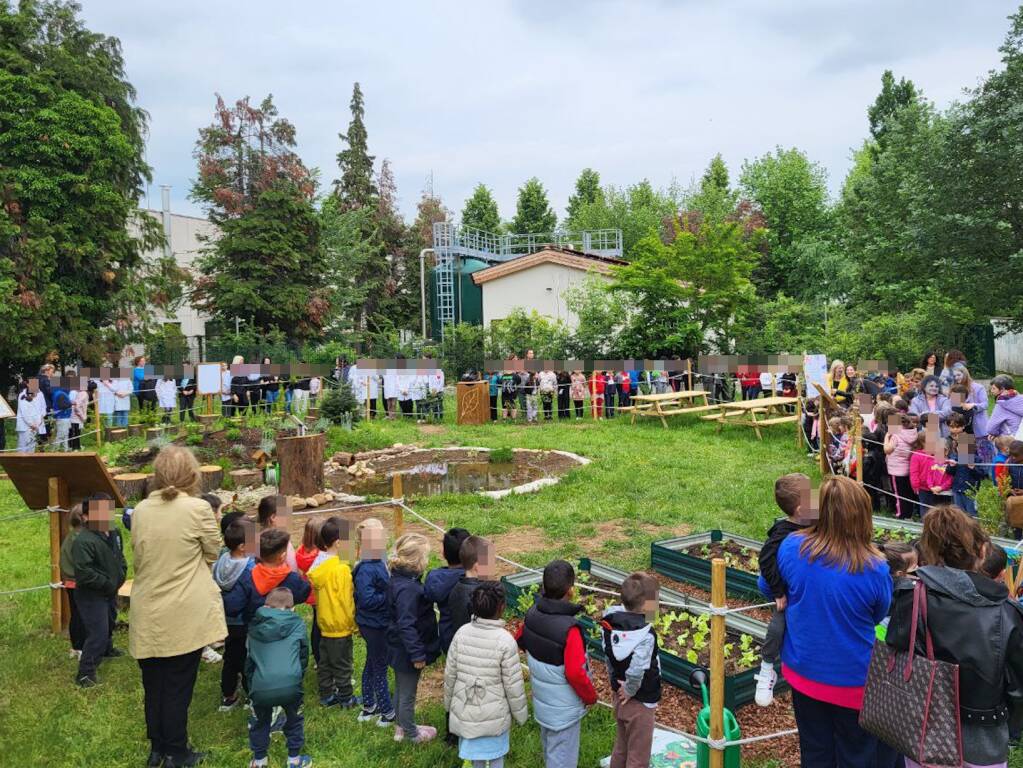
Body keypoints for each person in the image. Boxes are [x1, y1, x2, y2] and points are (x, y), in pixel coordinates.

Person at [887, 505, 1023, 768]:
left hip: (922, 729)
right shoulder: (1006, 613)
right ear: (982, 551)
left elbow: (897, 655)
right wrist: (1008, 725)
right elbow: (1018, 688)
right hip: (982, 739)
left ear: (928, 550)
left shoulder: (910, 597)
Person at [777, 476, 894, 768]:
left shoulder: (792, 547)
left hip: (803, 671)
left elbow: (770, 586)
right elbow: (879, 612)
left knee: (815, 750)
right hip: (854, 680)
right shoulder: (875, 567)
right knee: (856, 754)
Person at [129, 446, 226, 768]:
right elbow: (213, 550)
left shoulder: (141, 509)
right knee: (177, 685)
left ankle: (157, 747)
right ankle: (177, 751)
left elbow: (140, 556)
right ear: (192, 474)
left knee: (153, 683)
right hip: (183, 608)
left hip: (147, 606)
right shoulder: (198, 508)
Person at [515, 560, 597, 768]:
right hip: (565, 708)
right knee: (563, 758)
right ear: (571, 591)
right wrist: (590, 696)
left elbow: (520, 638)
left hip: (543, 699)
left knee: (551, 748)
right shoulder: (570, 630)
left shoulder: (532, 613)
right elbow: (575, 673)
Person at [444, 582, 529, 768]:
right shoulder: (506, 641)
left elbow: (450, 674)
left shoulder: (461, 633)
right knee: (497, 757)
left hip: (466, 711)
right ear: (502, 607)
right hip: (494, 718)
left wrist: (448, 703)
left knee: (476, 759)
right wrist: (521, 714)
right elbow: (513, 685)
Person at [755, 473, 812, 707]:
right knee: (780, 623)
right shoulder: (782, 533)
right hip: (786, 590)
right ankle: (767, 667)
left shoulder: (813, 521)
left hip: (804, 586)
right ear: (800, 509)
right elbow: (765, 560)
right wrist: (778, 592)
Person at [245, 587, 312, 768]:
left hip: (260, 685)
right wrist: (298, 675)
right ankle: (294, 759)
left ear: (266, 605)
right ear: (291, 608)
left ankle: (259, 760)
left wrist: (252, 686)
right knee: (294, 719)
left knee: (260, 721)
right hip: (291, 683)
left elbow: (249, 662)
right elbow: (304, 654)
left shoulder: (254, 626)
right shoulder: (297, 624)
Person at [600, 572, 661, 768]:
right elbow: (637, 669)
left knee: (621, 747)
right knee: (639, 756)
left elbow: (608, 656)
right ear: (645, 606)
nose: (657, 603)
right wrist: (630, 689)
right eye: (655, 600)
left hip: (619, 695)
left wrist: (616, 685)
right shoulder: (645, 635)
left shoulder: (610, 623)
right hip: (640, 701)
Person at [387, 532, 440, 743]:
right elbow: (406, 624)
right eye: (425, 557)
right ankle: (411, 734)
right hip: (408, 651)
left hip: (397, 647)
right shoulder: (408, 589)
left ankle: (401, 726)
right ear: (417, 562)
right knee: (408, 692)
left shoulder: (399, 579)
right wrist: (418, 654)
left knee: (401, 688)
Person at [71, 497, 126, 686]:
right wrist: (107, 583)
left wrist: (121, 574)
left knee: (110, 621)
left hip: (110, 590)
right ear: (86, 517)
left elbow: (119, 557)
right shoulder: (83, 541)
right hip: (91, 594)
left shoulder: (115, 532)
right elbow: (85, 572)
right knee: (98, 632)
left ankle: (107, 649)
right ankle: (85, 673)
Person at [306, 516, 359, 709]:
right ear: (339, 543)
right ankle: (346, 698)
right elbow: (347, 601)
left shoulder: (319, 563)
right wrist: (354, 624)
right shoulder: (341, 570)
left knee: (325, 663)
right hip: (339, 626)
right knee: (343, 664)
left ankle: (326, 695)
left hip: (324, 623)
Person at [353, 518, 394, 726]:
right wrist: (389, 596)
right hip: (374, 625)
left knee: (371, 663)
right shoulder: (366, 569)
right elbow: (366, 599)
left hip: (377, 622)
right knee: (380, 667)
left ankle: (368, 706)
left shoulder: (378, 562)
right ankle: (387, 711)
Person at [213, 519, 254, 711]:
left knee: (230, 656)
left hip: (226, 620)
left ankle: (228, 696)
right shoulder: (249, 566)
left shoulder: (221, 561)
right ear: (243, 546)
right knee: (246, 657)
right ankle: (251, 695)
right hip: (244, 620)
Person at [236, 528, 311, 624]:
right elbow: (304, 593)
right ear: (282, 556)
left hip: (255, 630)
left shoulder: (247, 577)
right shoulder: (293, 579)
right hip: (284, 627)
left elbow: (235, 606)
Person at [424, 527, 471, 655]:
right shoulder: (471, 580)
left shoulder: (435, 579)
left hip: (447, 636)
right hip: (471, 639)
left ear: (443, 553)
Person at [448, 535, 495, 637]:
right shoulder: (479, 596)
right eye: (490, 562)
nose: (493, 566)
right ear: (478, 567)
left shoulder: (456, 587)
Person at [945, 412, 987, 517]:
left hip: (971, 491)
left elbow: (983, 475)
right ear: (957, 448)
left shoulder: (976, 459)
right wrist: (951, 466)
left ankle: (973, 530)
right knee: (959, 513)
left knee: (972, 513)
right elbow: (949, 472)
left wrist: (973, 468)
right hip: (957, 489)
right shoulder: (955, 457)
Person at [294, 518, 323, 664]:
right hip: (319, 593)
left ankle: (318, 657)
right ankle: (320, 658)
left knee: (316, 624)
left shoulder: (301, 551)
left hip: (310, 593)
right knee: (320, 626)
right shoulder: (319, 555)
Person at [59, 504, 86, 660]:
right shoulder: (79, 539)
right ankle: (80, 647)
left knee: (76, 614)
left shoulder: (71, 536)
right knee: (81, 615)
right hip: (77, 582)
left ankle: (76, 646)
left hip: (70, 581)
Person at [885, 413, 920, 519]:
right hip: (908, 468)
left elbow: (887, 450)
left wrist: (887, 437)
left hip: (896, 470)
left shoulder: (896, 436)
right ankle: (908, 514)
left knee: (899, 494)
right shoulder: (913, 433)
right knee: (907, 493)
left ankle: (901, 515)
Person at [908, 429, 951, 513]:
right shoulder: (916, 455)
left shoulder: (935, 454)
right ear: (924, 442)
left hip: (936, 488)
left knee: (938, 509)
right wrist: (915, 486)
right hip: (923, 487)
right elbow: (914, 473)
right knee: (925, 508)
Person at [257, 494, 298, 572]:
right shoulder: (283, 541)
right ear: (273, 517)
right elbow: (293, 568)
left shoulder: (251, 537)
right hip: (283, 581)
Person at [987, 374, 1023, 441]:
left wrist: (996, 434)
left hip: (1010, 442)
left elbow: (990, 428)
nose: (991, 391)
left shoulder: (1001, 405)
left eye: (994, 388)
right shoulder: (1021, 399)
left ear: (1002, 389)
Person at [15, 384, 45, 453]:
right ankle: (20, 462)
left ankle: (29, 462)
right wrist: (32, 424)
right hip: (25, 427)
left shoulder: (33, 399)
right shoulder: (23, 399)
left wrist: (38, 422)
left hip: (34, 426)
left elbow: (38, 412)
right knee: (23, 447)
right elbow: (25, 414)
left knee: (31, 447)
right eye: (36, 393)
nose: (37, 395)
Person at [70, 381, 91, 450]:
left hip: (76, 416)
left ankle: (77, 446)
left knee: (76, 432)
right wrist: (83, 417)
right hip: (77, 417)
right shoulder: (84, 394)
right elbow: (77, 406)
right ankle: (75, 447)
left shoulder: (80, 393)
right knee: (76, 433)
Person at [51, 380, 72, 450]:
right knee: (61, 435)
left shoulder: (57, 393)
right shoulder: (61, 394)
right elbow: (62, 405)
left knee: (65, 434)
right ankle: (55, 449)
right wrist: (71, 403)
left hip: (62, 417)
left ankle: (65, 449)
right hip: (63, 417)